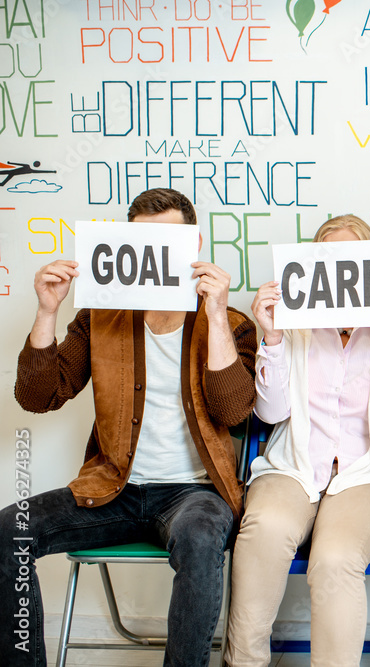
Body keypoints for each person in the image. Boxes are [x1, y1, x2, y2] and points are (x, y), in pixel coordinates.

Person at [0, 188, 257, 667]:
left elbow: (234, 411)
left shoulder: (232, 323)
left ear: (194, 245)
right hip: (113, 487)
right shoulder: (101, 317)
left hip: (194, 493)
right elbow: (37, 396)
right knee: (7, 532)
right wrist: (47, 311)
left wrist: (217, 313)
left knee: (202, 542)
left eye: (169, 242)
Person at [224, 215, 370, 667]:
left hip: (369, 474)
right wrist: (271, 336)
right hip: (292, 465)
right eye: (327, 257)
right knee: (263, 531)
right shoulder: (293, 326)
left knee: (335, 559)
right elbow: (271, 413)